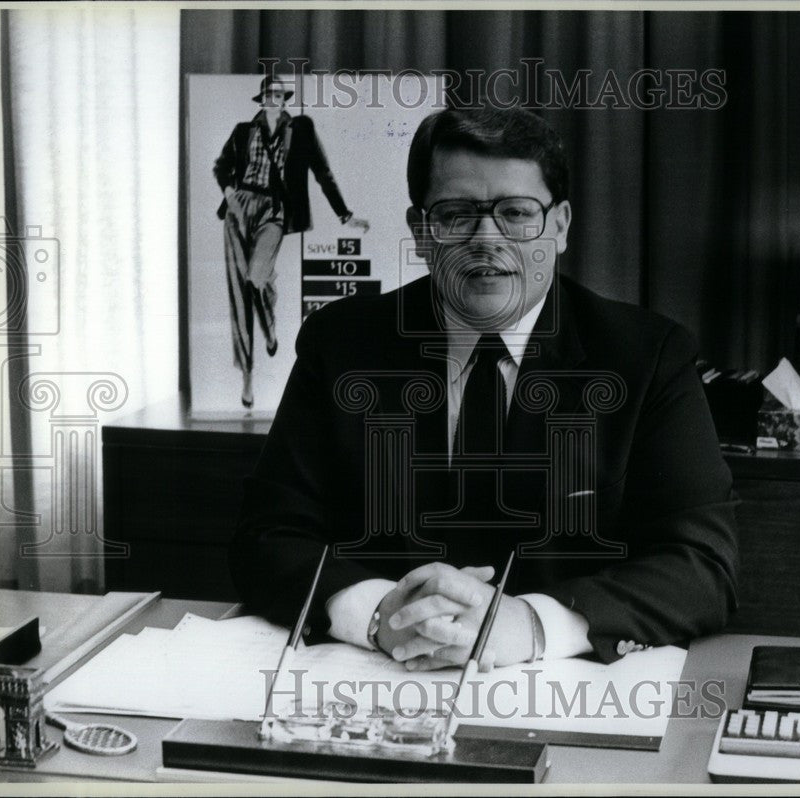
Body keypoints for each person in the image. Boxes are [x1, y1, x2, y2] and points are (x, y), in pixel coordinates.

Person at [231, 106, 738, 670]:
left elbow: (701, 564)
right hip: (373, 681)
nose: (485, 240)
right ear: (421, 231)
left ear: (561, 226)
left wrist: (531, 624)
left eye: (518, 214)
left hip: (564, 694)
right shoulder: (341, 345)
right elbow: (267, 537)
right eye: (455, 215)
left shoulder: (647, 358)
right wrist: (379, 615)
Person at [214, 76, 369, 408]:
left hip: (274, 210)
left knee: (256, 278)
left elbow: (322, 171)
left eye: (278, 94)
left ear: (284, 99)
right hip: (238, 210)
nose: (273, 99)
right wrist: (230, 193)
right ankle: (248, 376)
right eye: (268, 94)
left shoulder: (300, 128)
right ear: (262, 99)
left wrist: (345, 215)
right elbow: (222, 166)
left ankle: (269, 325)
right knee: (238, 294)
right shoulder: (244, 130)